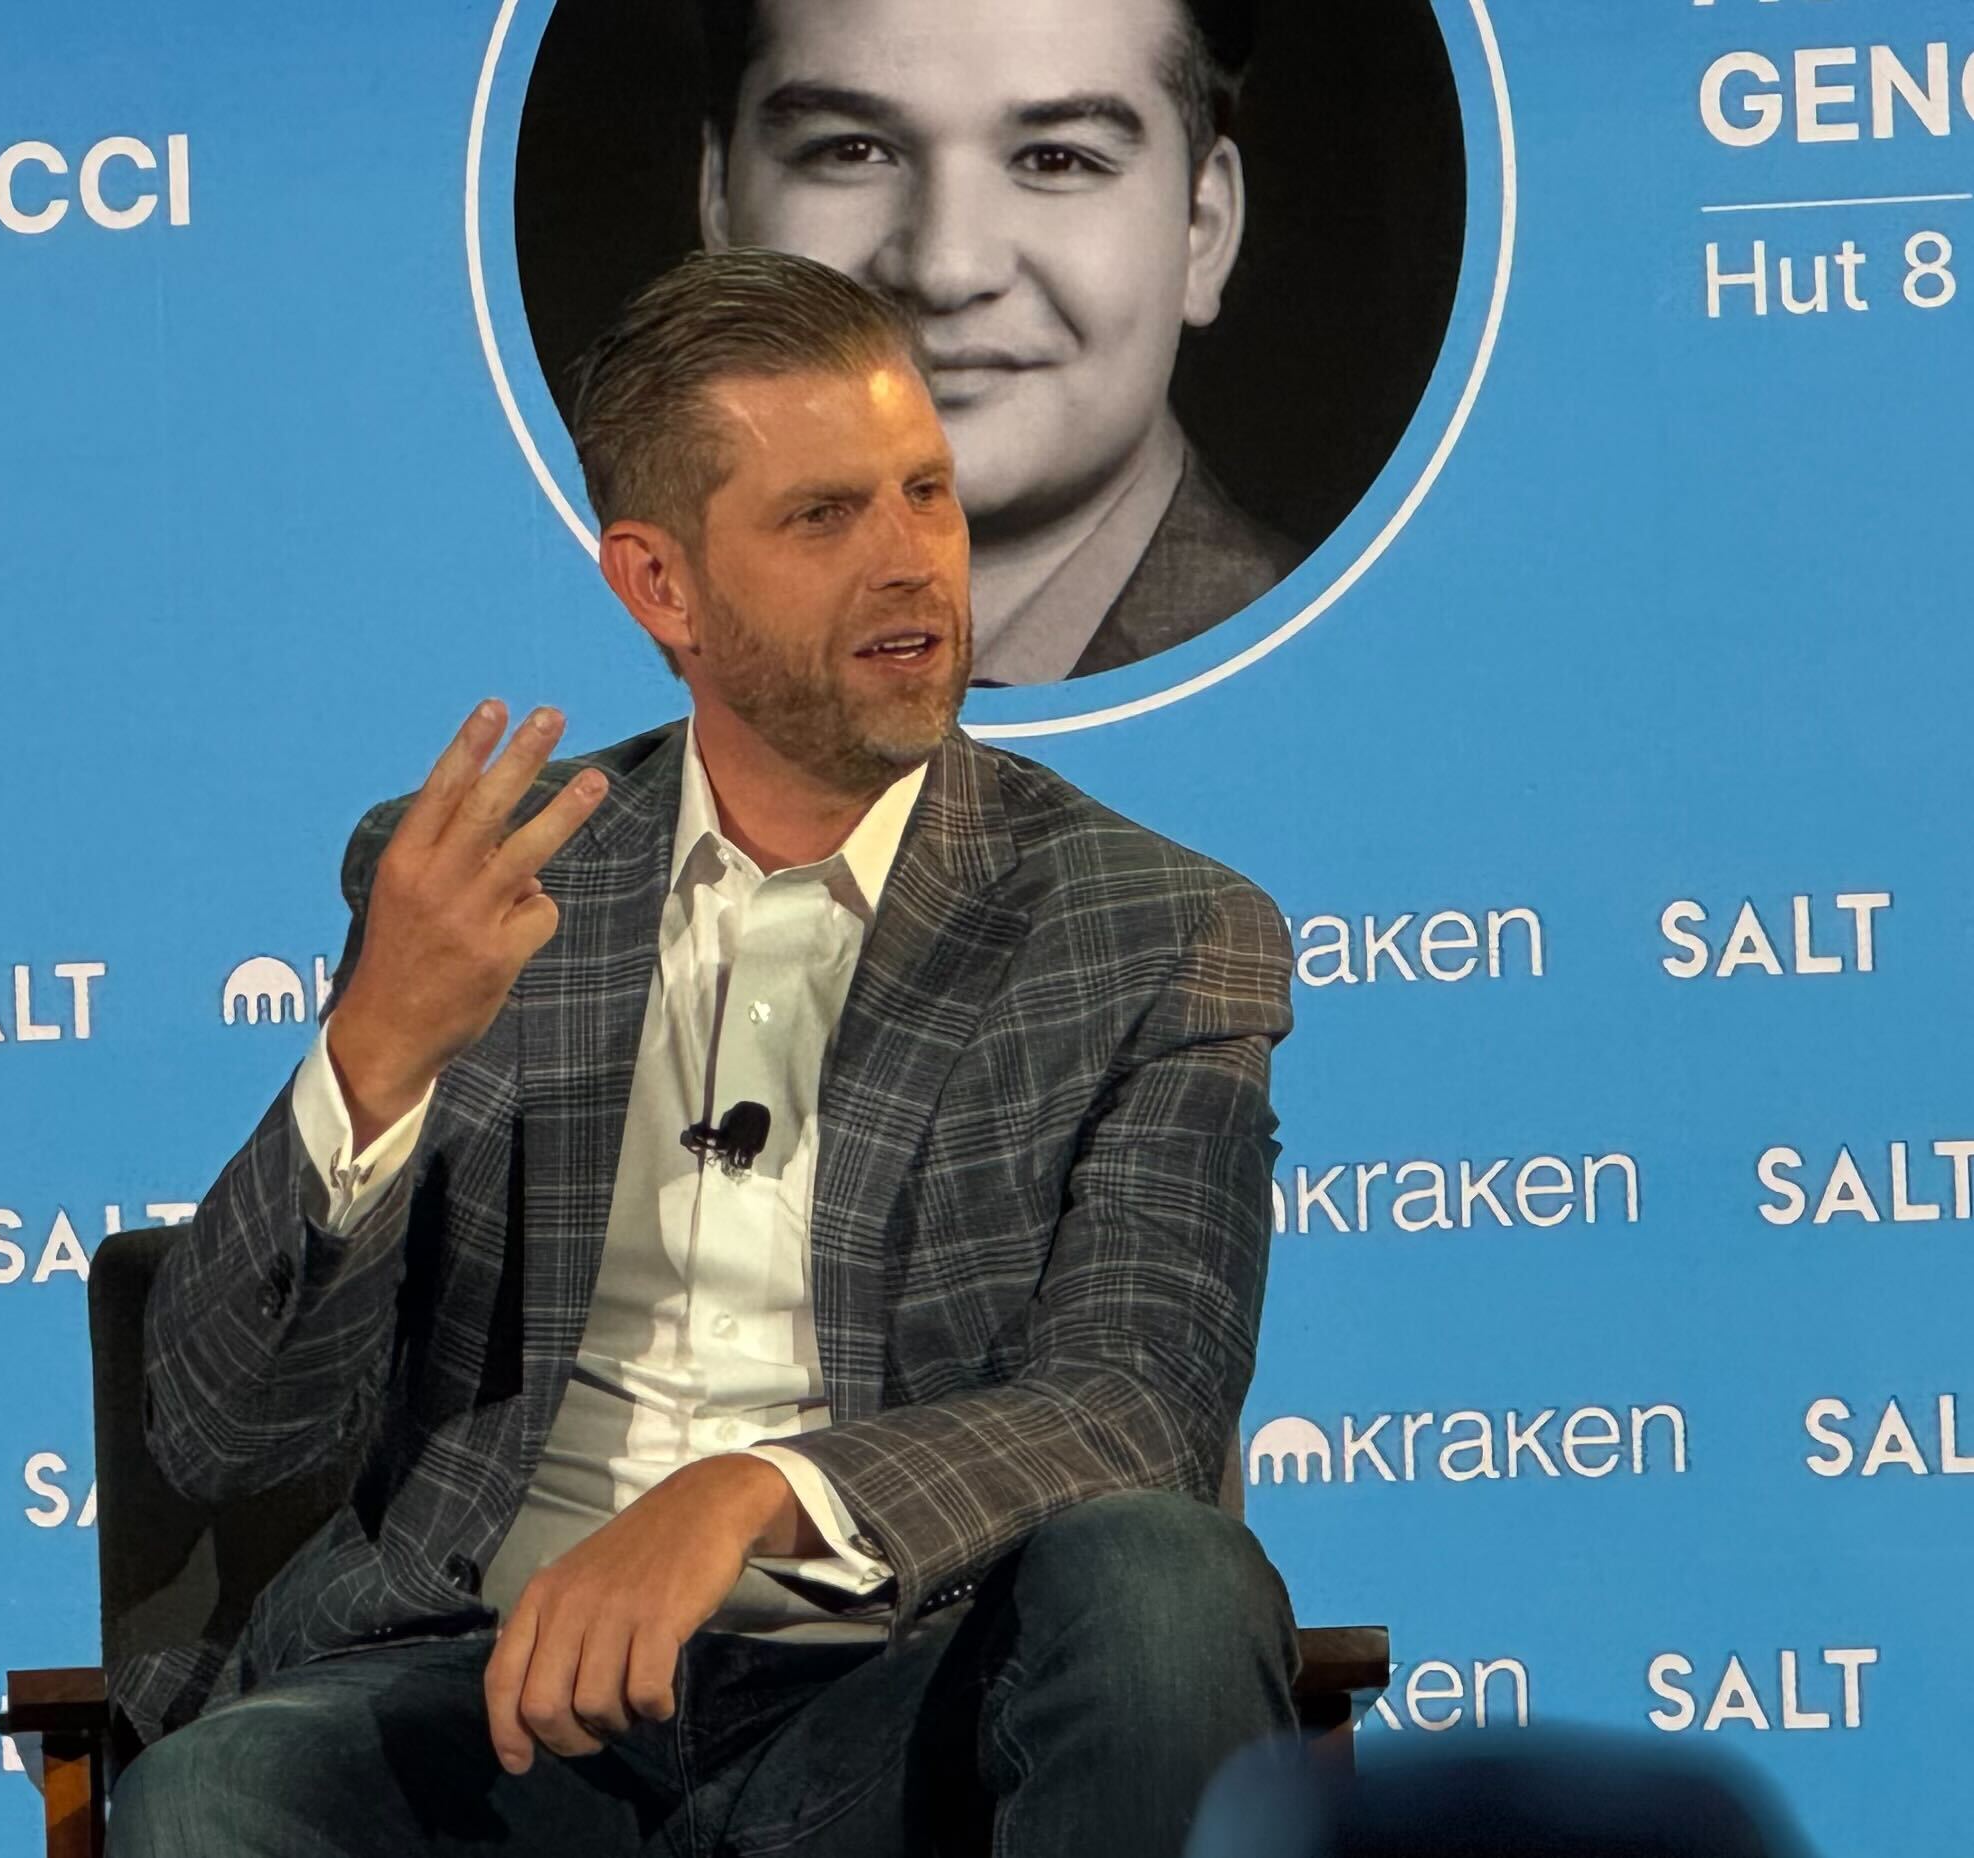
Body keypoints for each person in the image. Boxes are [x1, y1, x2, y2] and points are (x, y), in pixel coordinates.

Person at [110, 247, 1298, 1857]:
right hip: (488, 1700)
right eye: (822, 516)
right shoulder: (481, 889)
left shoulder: (1145, 927)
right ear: (659, 584)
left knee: (1163, 1577)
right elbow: (224, 1429)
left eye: (926, 494)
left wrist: (751, 1493)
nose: (910, 563)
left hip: (910, 1694)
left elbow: (1135, 1399)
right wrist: (374, 1049)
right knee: (213, 1796)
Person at [696, 0, 1304, 684]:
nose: (946, 271)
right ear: (719, 201)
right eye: (851, 150)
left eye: (1055, 160)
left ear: (1202, 230)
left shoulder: (1345, 698)